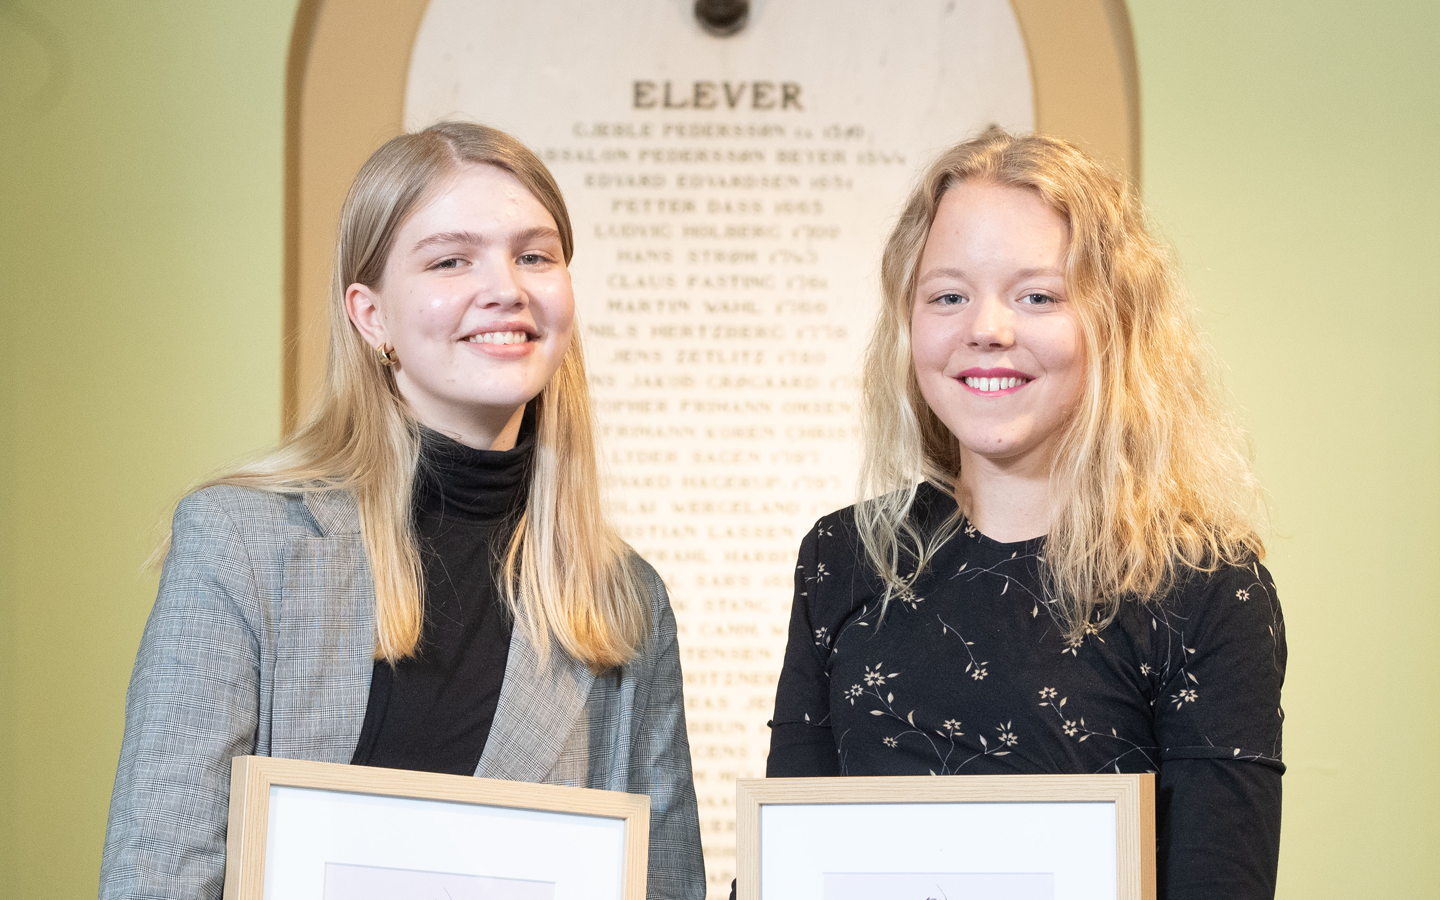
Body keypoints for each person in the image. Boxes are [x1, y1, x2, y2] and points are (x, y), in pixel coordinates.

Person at [100, 122, 705, 900]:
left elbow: (668, 887)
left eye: (534, 255)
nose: (507, 288)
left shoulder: (627, 599)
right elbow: (157, 877)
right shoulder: (239, 544)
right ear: (370, 314)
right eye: (452, 259)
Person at [767, 129, 1284, 899]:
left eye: (1037, 295)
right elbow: (790, 859)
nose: (988, 329)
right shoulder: (844, 554)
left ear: (1114, 321)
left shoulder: (1209, 588)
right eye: (948, 296)